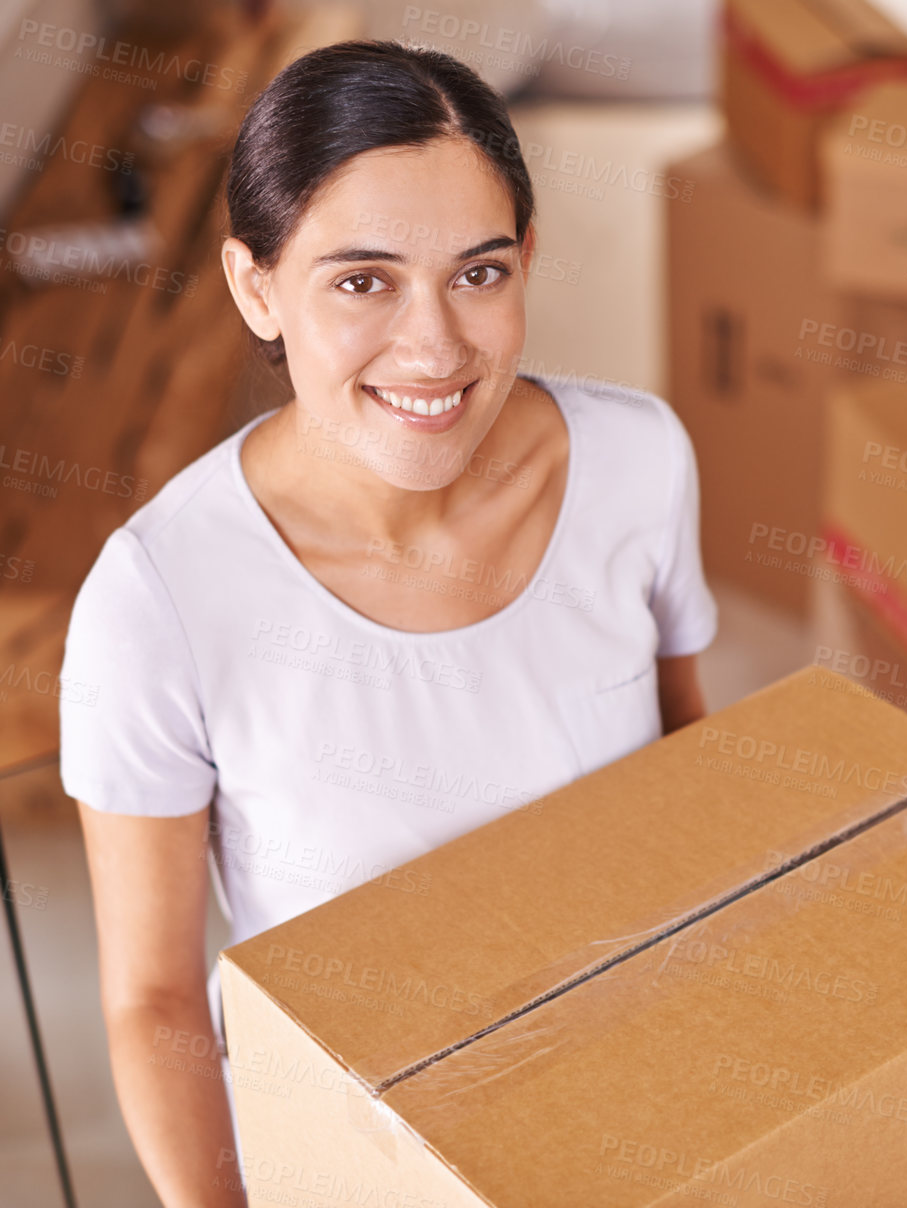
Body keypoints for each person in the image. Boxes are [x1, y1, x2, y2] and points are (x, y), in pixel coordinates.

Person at [58, 40, 717, 1207]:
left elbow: (687, 790)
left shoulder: (638, 461)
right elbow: (154, 999)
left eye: (479, 273)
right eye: (363, 280)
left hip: (627, 1112)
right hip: (349, 1156)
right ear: (256, 287)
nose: (436, 347)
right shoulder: (158, 597)